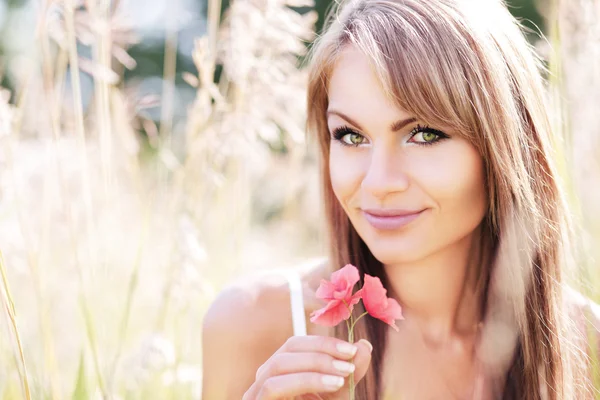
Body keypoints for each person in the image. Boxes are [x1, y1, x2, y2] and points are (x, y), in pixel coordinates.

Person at [201, 0, 600, 398]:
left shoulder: (586, 342)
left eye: (424, 134)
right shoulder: (254, 324)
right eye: (351, 136)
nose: (378, 183)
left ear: (506, 145)